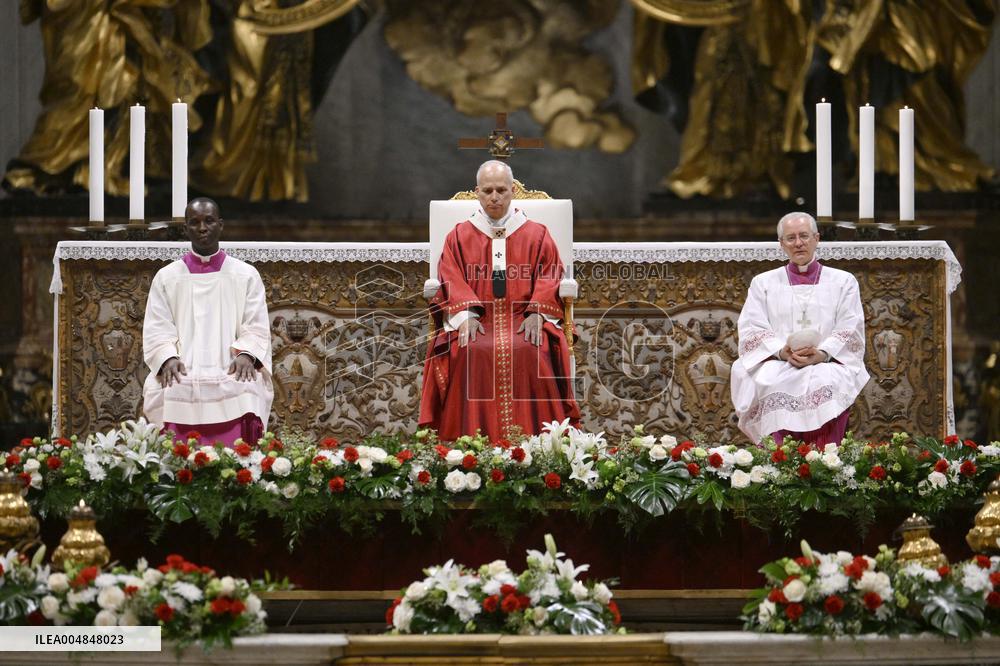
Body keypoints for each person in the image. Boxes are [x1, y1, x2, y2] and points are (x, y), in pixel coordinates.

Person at [419, 160, 579, 442]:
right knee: (470, 350)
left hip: (524, 317)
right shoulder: (459, 235)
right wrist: (465, 315)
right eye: (488, 190)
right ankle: (470, 442)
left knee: (531, 349)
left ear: (512, 191)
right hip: (478, 318)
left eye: (502, 190)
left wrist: (537, 313)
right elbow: (450, 275)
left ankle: (539, 444)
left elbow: (551, 272)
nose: (495, 197)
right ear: (477, 192)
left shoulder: (537, 234)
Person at [730, 212, 869, 447]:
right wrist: (781, 352)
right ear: (781, 244)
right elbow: (753, 325)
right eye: (790, 238)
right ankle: (779, 460)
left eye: (804, 236)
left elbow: (850, 325)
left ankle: (825, 459)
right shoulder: (763, 283)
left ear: (817, 238)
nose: (798, 243)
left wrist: (822, 354)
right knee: (766, 379)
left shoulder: (843, 281)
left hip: (827, 361)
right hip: (779, 361)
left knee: (826, 380)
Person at [142, 198, 273, 446]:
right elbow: (157, 327)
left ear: (220, 225)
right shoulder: (167, 277)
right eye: (195, 222)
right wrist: (168, 358)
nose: (202, 228)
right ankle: (176, 461)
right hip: (183, 366)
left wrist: (247, 354)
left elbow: (256, 324)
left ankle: (240, 461)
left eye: (209, 221)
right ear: (186, 229)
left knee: (247, 388)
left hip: (231, 365)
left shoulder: (245, 274)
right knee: (168, 388)